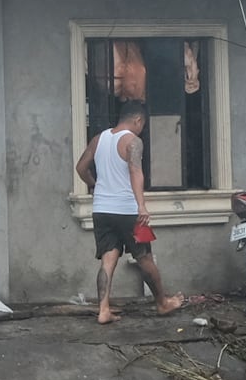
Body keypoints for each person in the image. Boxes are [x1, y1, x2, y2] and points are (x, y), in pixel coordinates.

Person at [74, 102, 184, 324]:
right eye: (142, 124)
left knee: (107, 260)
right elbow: (136, 172)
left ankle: (103, 310)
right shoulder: (133, 142)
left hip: (102, 210)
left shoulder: (98, 139)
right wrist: (141, 205)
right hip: (127, 211)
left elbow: (80, 168)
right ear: (137, 121)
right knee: (144, 257)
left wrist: (95, 185)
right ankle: (162, 303)